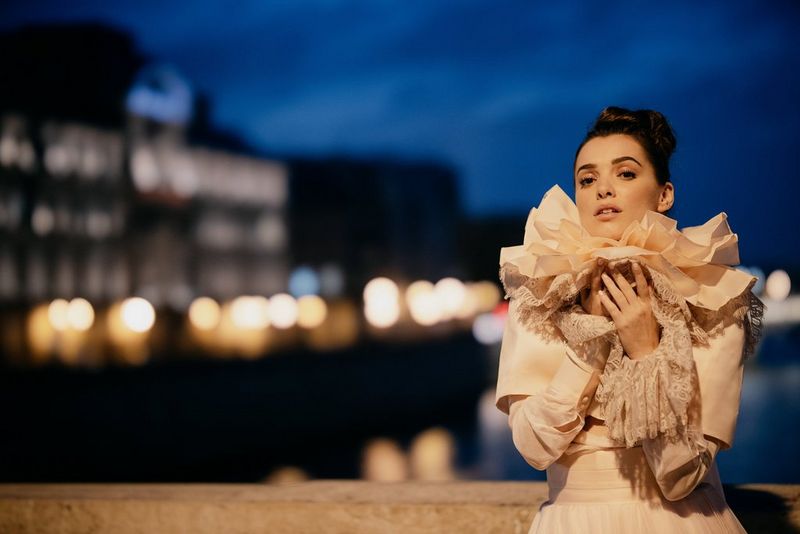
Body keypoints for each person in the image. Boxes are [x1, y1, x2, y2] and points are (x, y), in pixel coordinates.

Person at [495, 106, 763, 533]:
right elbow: (534, 446)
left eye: (625, 174)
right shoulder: (540, 294)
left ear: (664, 194)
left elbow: (682, 477)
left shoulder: (712, 296)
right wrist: (592, 342)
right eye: (587, 179)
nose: (603, 189)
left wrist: (644, 351)